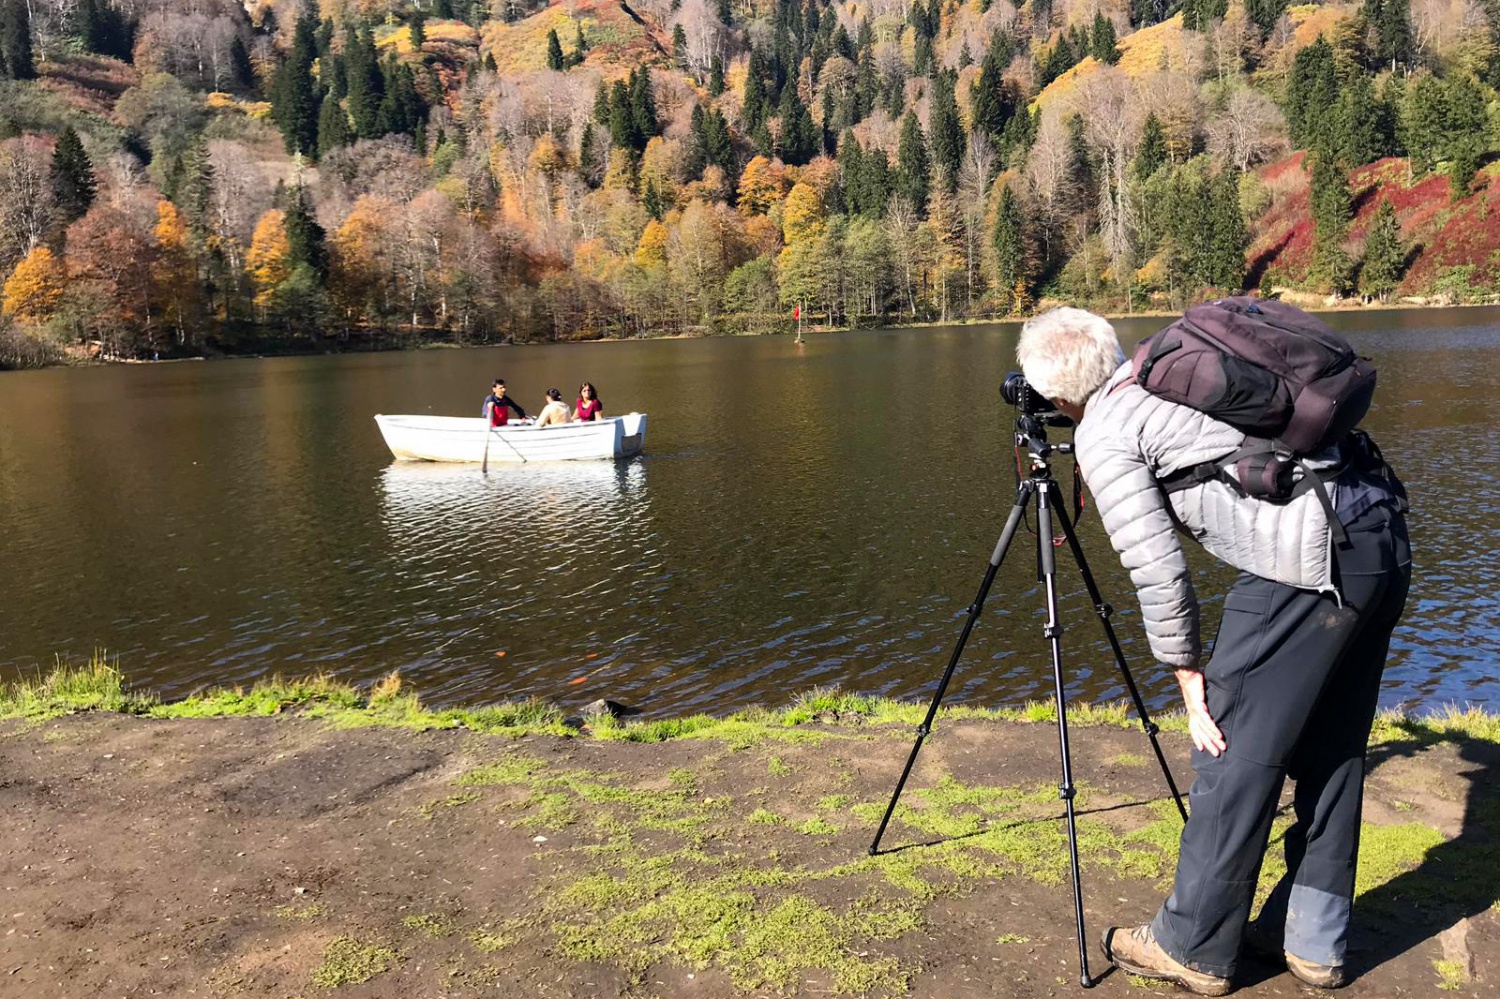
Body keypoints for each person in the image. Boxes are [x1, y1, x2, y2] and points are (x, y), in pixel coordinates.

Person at [1015, 308, 1410, 996]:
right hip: (1378, 528)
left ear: (1055, 397)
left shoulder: (1106, 430)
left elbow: (1156, 567)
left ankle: (1193, 943)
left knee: (1227, 749)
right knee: (1333, 746)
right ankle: (1311, 940)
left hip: (1309, 561)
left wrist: (1190, 676)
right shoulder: (1156, 375)